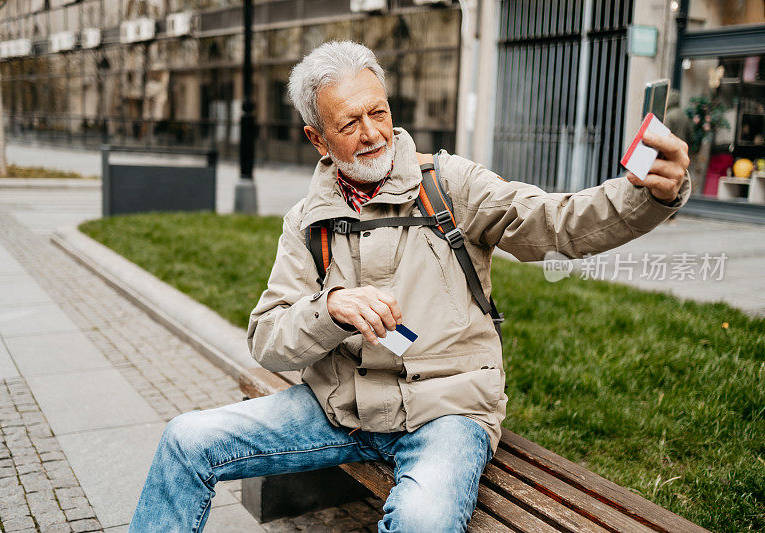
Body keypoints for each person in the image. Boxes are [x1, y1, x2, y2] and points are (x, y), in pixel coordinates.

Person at [130, 41, 690, 532]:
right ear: (316, 137)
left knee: (421, 522)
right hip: (341, 409)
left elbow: (552, 221)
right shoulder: (307, 219)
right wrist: (330, 310)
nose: (373, 133)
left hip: (445, 412)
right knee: (187, 440)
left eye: (379, 112)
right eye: (349, 124)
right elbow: (268, 337)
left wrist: (648, 196)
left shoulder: (449, 182)